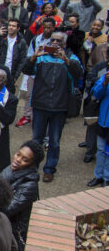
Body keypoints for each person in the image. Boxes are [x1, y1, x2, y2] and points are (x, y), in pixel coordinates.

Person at [22, 31, 83, 182]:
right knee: (37, 139)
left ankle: (49, 169)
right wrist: (33, 57)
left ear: (64, 43)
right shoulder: (42, 56)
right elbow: (26, 70)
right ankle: (32, 168)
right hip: (40, 104)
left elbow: (79, 74)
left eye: (59, 41)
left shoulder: (71, 57)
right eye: (53, 40)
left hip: (59, 106)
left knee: (54, 140)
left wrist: (67, 60)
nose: (55, 43)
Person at [16, 18, 56, 127]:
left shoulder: (55, 40)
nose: (47, 30)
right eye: (45, 27)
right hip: (34, 71)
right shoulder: (36, 39)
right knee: (29, 94)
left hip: (48, 73)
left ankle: (41, 117)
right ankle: (27, 115)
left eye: (49, 27)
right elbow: (30, 55)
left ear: (54, 27)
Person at [89, 72, 109, 187]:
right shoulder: (104, 77)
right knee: (101, 149)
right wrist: (105, 83)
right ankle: (98, 176)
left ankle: (107, 177)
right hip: (103, 121)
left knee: (108, 152)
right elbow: (96, 94)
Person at [0, 18, 28, 86]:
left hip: (11, 72)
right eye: (9, 25)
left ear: (18, 28)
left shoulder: (21, 42)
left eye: (13, 26)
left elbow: (22, 60)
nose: (11, 28)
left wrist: (16, 76)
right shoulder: (2, 38)